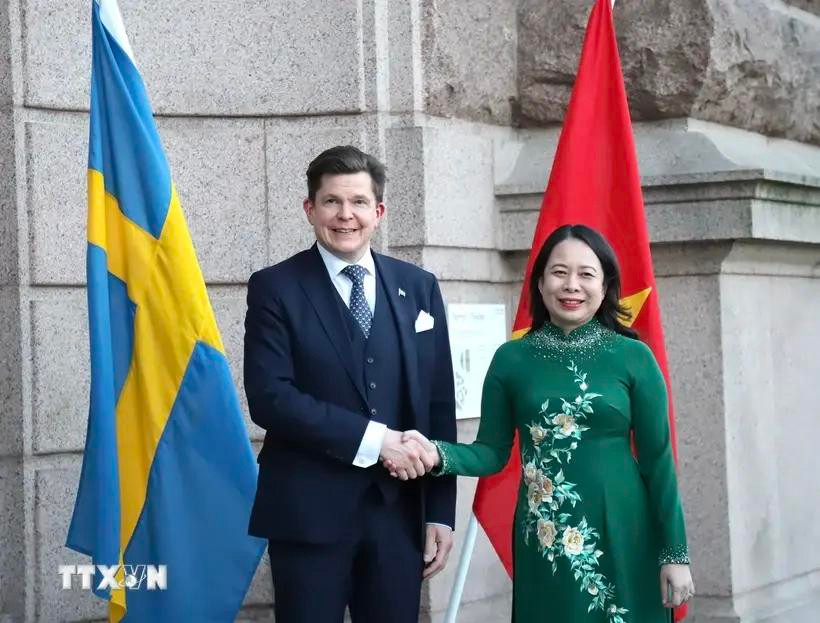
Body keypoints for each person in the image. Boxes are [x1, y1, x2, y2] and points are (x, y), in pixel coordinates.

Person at [390, 224, 694, 622]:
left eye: (586, 274)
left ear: (606, 286)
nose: (572, 285)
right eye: (559, 272)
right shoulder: (511, 359)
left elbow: (658, 463)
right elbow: (491, 453)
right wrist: (436, 453)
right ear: (539, 281)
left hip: (627, 530)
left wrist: (675, 554)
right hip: (546, 536)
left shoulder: (634, 357)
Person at [243, 145, 457, 623]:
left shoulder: (418, 286)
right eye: (332, 202)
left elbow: (438, 403)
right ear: (310, 209)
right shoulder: (274, 287)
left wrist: (440, 511)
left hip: (399, 513)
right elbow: (271, 398)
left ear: (377, 212)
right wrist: (378, 441)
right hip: (307, 514)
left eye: (359, 202)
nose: (346, 215)